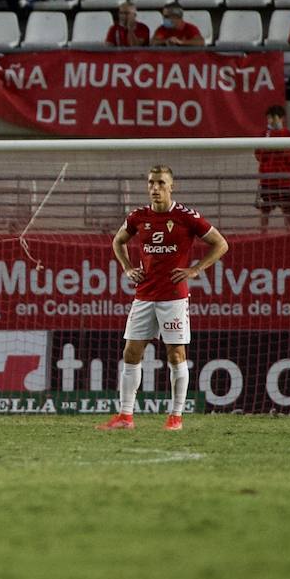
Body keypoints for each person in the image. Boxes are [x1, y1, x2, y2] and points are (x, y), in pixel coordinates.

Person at [98, 165, 228, 432]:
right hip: (144, 295)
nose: (154, 188)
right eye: (150, 183)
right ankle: (125, 416)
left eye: (160, 183)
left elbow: (221, 243)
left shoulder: (186, 217)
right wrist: (127, 267)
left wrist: (196, 269)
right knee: (131, 353)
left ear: (172, 186)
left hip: (173, 299)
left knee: (176, 355)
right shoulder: (138, 217)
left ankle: (175, 417)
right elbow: (117, 241)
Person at [255, 105, 290, 234]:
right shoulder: (264, 135)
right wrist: (269, 147)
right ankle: (263, 234)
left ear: (281, 118)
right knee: (265, 211)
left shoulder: (289, 135)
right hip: (267, 181)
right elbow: (258, 155)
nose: (271, 121)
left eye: (273, 118)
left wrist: (282, 148)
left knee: (287, 210)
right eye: (268, 118)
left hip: (284, 181)